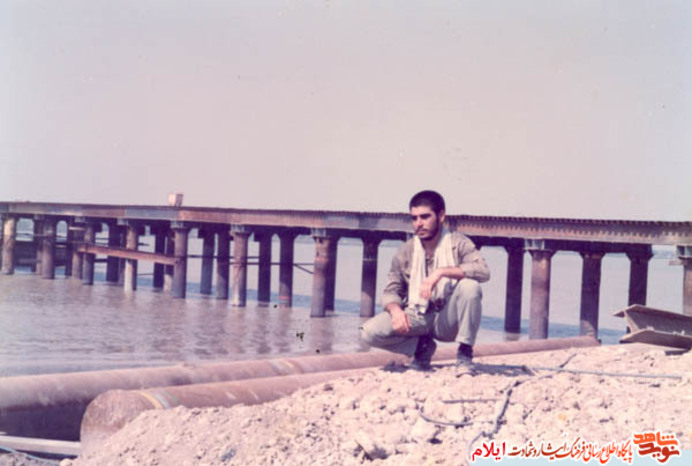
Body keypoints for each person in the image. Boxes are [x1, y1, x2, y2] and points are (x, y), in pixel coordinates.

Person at [360, 190, 490, 371]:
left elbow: (483, 271)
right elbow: (391, 291)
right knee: (368, 333)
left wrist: (441, 272)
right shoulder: (406, 251)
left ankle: (465, 354)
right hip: (418, 316)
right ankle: (421, 348)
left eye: (425, 217)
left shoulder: (458, 243)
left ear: (441, 216)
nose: (419, 223)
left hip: (446, 319)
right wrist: (396, 311)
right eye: (414, 218)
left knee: (470, 286)